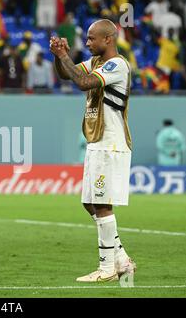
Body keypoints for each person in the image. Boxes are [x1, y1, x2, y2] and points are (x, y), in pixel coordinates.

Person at [51, 19, 136, 282]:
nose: (87, 43)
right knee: (90, 201)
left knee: (101, 203)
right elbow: (68, 74)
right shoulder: (96, 62)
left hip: (110, 142)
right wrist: (59, 57)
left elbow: (84, 83)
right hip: (97, 141)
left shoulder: (116, 65)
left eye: (91, 38)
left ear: (108, 39)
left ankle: (107, 268)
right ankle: (121, 260)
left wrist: (65, 54)